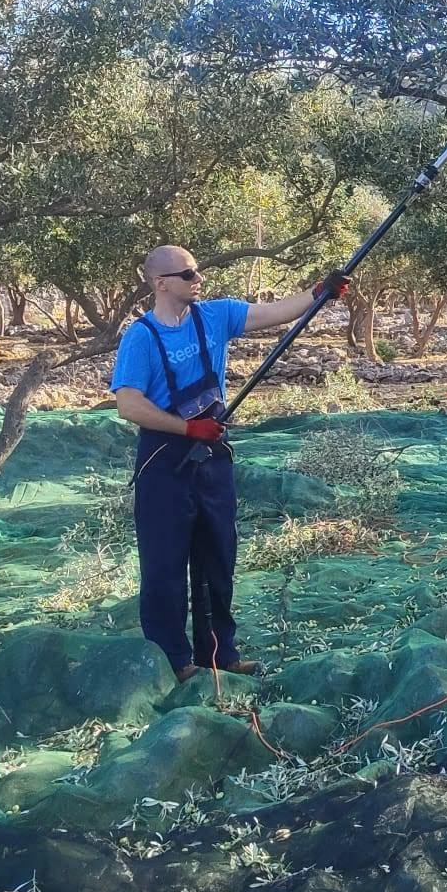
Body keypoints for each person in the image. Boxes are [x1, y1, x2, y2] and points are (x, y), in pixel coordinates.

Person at [110, 246, 346, 680]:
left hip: (213, 458)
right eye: (188, 273)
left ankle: (219, 653)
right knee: (164, 565)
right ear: (161, 283)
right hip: (164, 461)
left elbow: (270, 313)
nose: (198, 279)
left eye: (197, 270)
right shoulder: (140, 337)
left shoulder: (214, 315)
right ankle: (173, 661)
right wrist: (186, 430)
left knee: (218, 556)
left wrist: (319, 292)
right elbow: (128, 404)